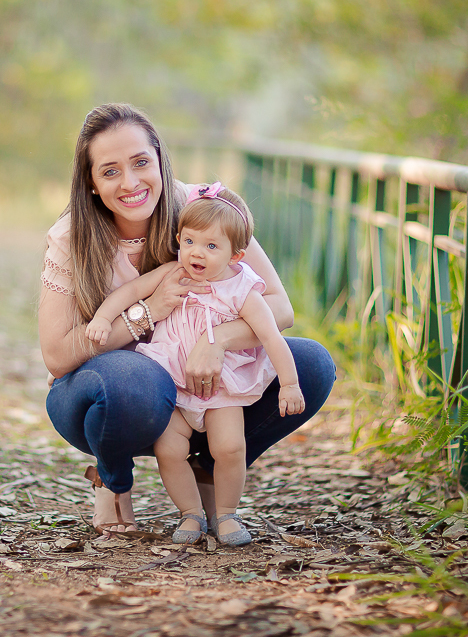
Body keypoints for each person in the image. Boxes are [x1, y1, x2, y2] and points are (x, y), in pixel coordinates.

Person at [39, 102, 335, 536]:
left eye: (141, 162)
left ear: (159, 158)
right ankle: (113, 475)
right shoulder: (72, 238)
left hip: (202, 387)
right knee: (134, 379)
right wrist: (149, 312)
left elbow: (279, 307)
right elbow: (57, 355)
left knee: (309, 364)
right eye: (110, 171)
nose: (131, 182)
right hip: (106, 396)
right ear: (92, 183)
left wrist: (215, 341)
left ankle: (213, 466)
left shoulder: (203, 211)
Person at [84, 183, 304, 545]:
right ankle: (190, 513)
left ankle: (227, 514)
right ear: (178, 240)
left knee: (229, 447)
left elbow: (271, 336)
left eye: (211, 246)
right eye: (189, 242)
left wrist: (291, 384)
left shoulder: (242, 289)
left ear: (237, 256)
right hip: (172, 380)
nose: (196, 253)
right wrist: (105, 319)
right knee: (169, 449)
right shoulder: (173, 272)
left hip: (219, 387)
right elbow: (128, 293)